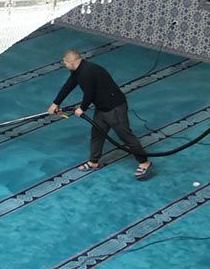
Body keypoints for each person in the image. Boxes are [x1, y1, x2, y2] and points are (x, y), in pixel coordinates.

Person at [48, 49, 154, 180]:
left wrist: (82, 108)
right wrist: (56, 103)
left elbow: (89, 93)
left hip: (114, 108)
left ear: (72, 62)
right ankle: (94, 162)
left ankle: (144, 162)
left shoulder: (87, 72)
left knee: (125, 136)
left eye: (65, 63)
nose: (64, 65)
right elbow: (68, 85)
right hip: (102, 107)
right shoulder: (78, 71)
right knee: (97, 135)